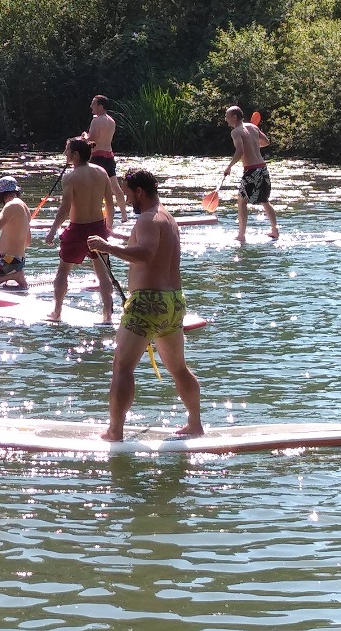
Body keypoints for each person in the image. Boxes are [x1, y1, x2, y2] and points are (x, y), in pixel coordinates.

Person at [87, 168, 204, 442]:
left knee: (122, 366)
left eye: (128, 194)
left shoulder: (148, 220)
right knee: (178, 368)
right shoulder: (167, 218)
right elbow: (146, 247)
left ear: (140, 191)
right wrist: (111, 242)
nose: (127, 200)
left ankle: (115, 431)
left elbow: (146, 254)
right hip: (173, 301)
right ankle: (195, 424)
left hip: (148, 302)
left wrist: (107, 248)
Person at [44, 137, 115, 322]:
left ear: (75, 155)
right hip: (98, 227)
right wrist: (109, 226)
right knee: (103, 273)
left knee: (62, 271)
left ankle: (57, 311)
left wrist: (53, 229)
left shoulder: (70, 177)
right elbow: (109, 201)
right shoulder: (102, 172)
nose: (65, 154)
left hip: (77, 229)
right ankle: (107, 315)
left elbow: (65, 208)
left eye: (67, 151)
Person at [223, 105, 279, 243]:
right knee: (264, 200)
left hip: (251, 170)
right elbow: (266, 142)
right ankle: (275, 230)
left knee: (242, 201)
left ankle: (241, 235)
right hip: (263, 168)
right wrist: (253, 144)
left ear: (234, 117)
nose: (226, 119)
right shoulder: (253, 127)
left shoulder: (235, 132)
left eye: (227, 116)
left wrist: (229, 166)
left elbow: (240, 151)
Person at [82, 94, 128, 222]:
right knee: (115, 187)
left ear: (100, 106)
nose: (91, 106)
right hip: (109, 156)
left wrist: (84, 136)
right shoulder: (111, 121)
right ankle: (124, 215)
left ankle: (93, 215)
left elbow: (92, 140)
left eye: (93, 104)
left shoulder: (96, 120)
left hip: (98, 157)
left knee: (94, 188)